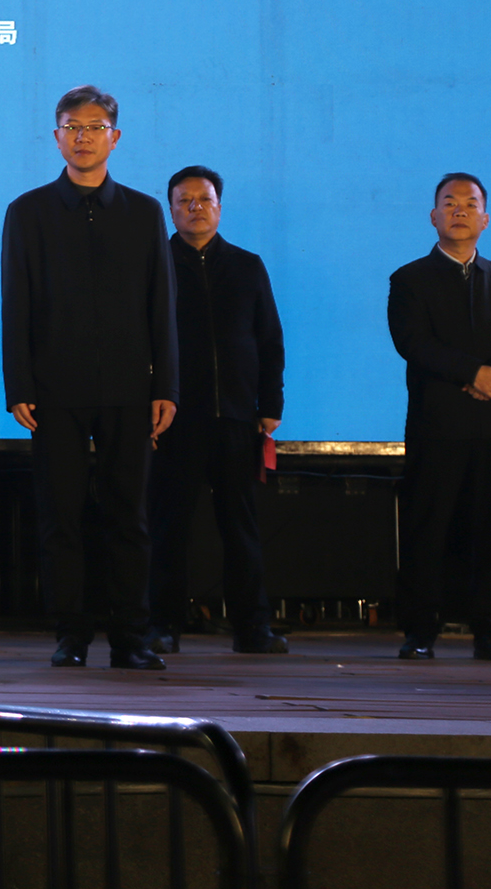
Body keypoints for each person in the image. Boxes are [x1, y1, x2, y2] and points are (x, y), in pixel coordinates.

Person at [2, 86, 177, 670]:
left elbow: (161, 306)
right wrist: (19, 385)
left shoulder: (144, 212)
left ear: (115, 138)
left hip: (130, 388)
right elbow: (16, 303)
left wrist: (166, 386)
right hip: (55, 389)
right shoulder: (28, 211)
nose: (83, 137)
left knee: (130, 516)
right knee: (62, 517)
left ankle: (131, 637)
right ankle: (70, 635)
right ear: (56, 137)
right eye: (72, 127)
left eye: (95, 127)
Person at [387, 173, 491, 662]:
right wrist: (473, 373)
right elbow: (413, 342)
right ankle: (420, 632)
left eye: (470, 204)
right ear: (433, 216)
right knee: (429, 526)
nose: (459, 211)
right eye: (449, 203)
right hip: (439, 422)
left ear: (485, 219)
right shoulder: (409, 279)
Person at [145, 166, 288, 656]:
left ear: (219, 208)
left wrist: (270, 404)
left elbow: (269, 339)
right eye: (184, 201)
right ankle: (162, 626)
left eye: (204, 199)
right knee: (168, 528)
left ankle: (253, 628)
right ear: (171, 210)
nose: (195, 208)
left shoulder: (248, 266)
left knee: (241, 528)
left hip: (237, 417)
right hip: (174, 418)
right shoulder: (155, 264)